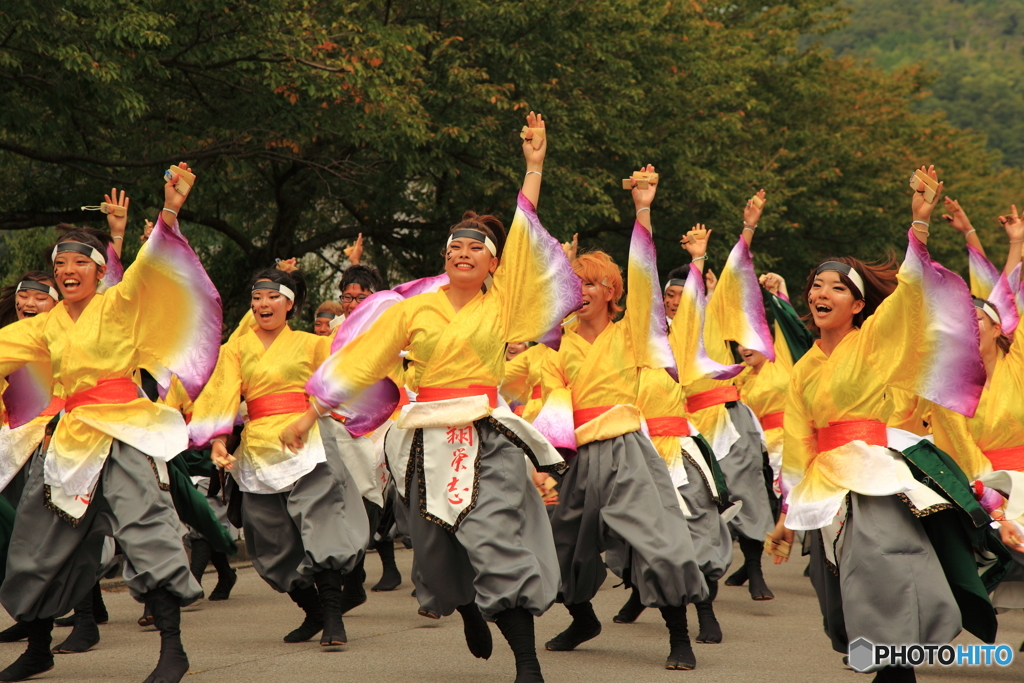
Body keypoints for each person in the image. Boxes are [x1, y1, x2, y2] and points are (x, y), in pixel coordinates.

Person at [285, 112, 576, 683]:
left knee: (495, 537)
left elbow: (523, 228)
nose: (463, 253)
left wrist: (534, 167)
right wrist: (309, 412)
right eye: (454, 247)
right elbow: (365, 362)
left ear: (494, 263)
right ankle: (467, 607)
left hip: (486, 435)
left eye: (476, 248)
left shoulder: (505, 303)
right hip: (423, 440)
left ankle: (527, 663)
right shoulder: (414, 308)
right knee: (435, 549)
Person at [783, 166, 1005, 682]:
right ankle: (889, 660)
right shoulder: (802, 369)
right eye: (816, 285)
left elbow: (908, 289)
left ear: (858, 305)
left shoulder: (873, 340)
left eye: (836, 288)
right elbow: (797, 443)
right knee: (837, 596)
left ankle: (898, 666)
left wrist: (919, 223)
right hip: (824, 485)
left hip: (874, 474)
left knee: (888, 564)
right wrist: (783, 517)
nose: (822, 293)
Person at [0, 165, 221, 683]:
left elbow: (151, 268)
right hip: (70, 442)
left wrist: (169, 210)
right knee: (35, 542)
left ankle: (172, 648)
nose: (69, 270)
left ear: (101, 272)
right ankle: (38, 647)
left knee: (146, 531)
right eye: (61, 264)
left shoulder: (119, 303)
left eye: (81, 262)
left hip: (123, 433)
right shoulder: (44, 326)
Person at [538, 166, 708, 671]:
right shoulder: (557, 346)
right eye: (576, 283)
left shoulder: (633, 332)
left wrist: (643, 210)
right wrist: (548, 465)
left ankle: (680, 636)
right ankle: (583, 616)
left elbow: (643, 275)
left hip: (627, 449)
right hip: (576, 456)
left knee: (659, 539)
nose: (582, 290)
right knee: (560, 545)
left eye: (592, 284)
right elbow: (551, 404)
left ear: (611, 291)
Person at [189, 266, 370, 648]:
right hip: (257, 447)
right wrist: (219, 439)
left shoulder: (312, 344)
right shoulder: (235, 349)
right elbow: (222, 393)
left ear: (290, 304)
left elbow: (341, 376)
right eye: (257, 298)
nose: (263, 304)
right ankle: (314, 612)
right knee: (270, 540)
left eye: (273, 297)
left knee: (322, 525)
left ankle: (335, 618)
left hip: (306, 440)